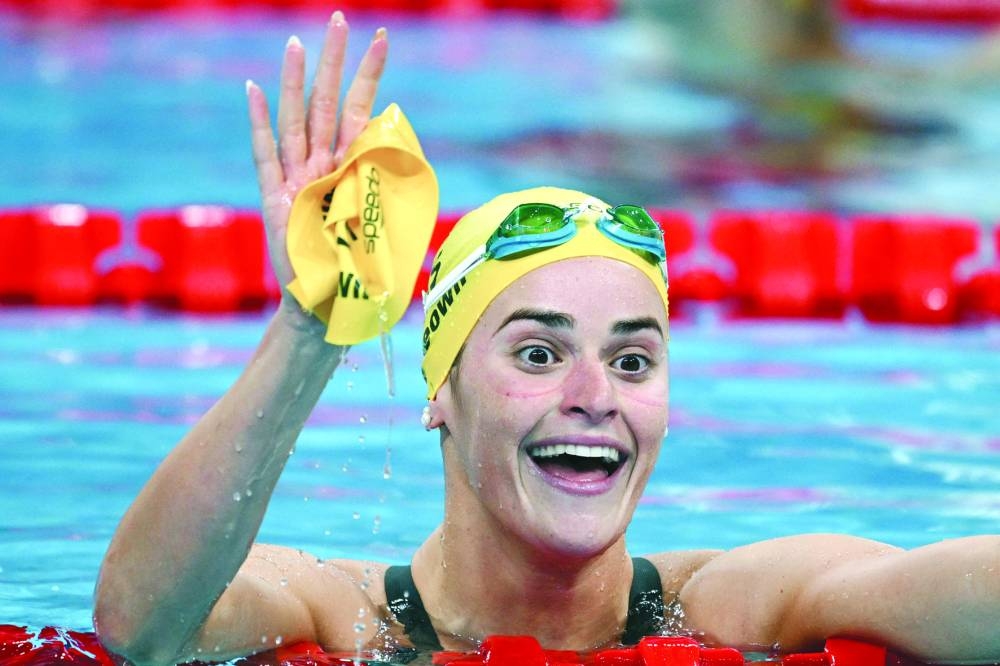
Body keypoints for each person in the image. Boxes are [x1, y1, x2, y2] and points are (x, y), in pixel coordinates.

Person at [93, 12, 1000, 666]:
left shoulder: (741, 606)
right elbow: (144, 629)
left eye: (633, 359)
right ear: (437, 393)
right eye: (538, 352)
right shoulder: (346, 620)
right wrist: (311, 325)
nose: (595, 395)